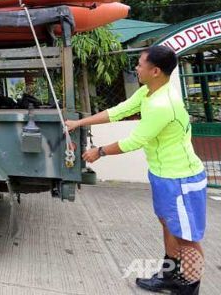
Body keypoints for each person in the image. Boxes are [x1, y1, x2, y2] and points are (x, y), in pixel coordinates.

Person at [66, 46, 205, 295]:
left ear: (155, 71)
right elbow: (119, 111)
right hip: (163, 174)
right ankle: (170, 275)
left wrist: (99, 151)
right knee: (167, 224)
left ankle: (190, 288)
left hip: (181, 178)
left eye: (140, 64)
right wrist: (79, 122)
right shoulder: (149, 92)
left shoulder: (164, 104)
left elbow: (134, 141)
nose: (136, 68)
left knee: (186, 236)